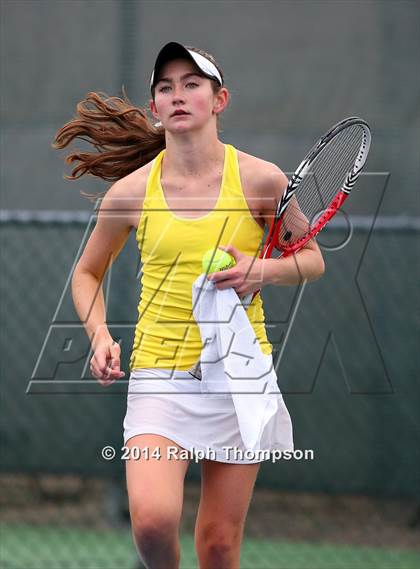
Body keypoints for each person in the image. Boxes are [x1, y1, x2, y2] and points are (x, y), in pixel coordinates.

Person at [53, 42, 325, 569]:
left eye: (191, 84)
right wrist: (100, 335)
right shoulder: (131, 192)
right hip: (159, 376)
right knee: (153, 524)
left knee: (218, 546)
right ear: (155, 108)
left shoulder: (263, 181)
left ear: (219, 100)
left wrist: (260, 270)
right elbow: (86, 274)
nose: (177, 95)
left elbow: (311, 260)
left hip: (241, 376)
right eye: (165, 87)